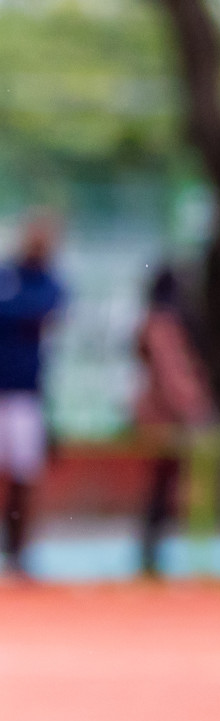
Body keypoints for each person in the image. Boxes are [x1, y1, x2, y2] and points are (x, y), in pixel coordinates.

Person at [135, 267, 214, 578]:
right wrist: (194, 409)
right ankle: (152, 555)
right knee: (163, 485)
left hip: (160, 415)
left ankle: (153, 553)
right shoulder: (163, 324)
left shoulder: (155, 321)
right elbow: (172, 375)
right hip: (166, 418)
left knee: (163, 487)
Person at [0, 216, 65, 579]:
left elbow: (46, 309)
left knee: (24, 473)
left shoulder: (51, 281)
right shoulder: (7, 274)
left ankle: (18, 550)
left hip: (27, 393)